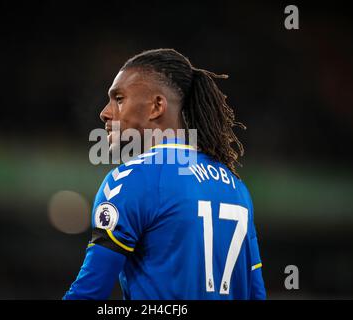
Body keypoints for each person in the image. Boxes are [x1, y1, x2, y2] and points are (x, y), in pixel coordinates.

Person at [63, 48, 266, 299]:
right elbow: (256, 293)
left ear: (157, 106)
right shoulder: (235, 187)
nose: (105, 112)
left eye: (118, 98)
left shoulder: (129, 181)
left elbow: (89, 292)